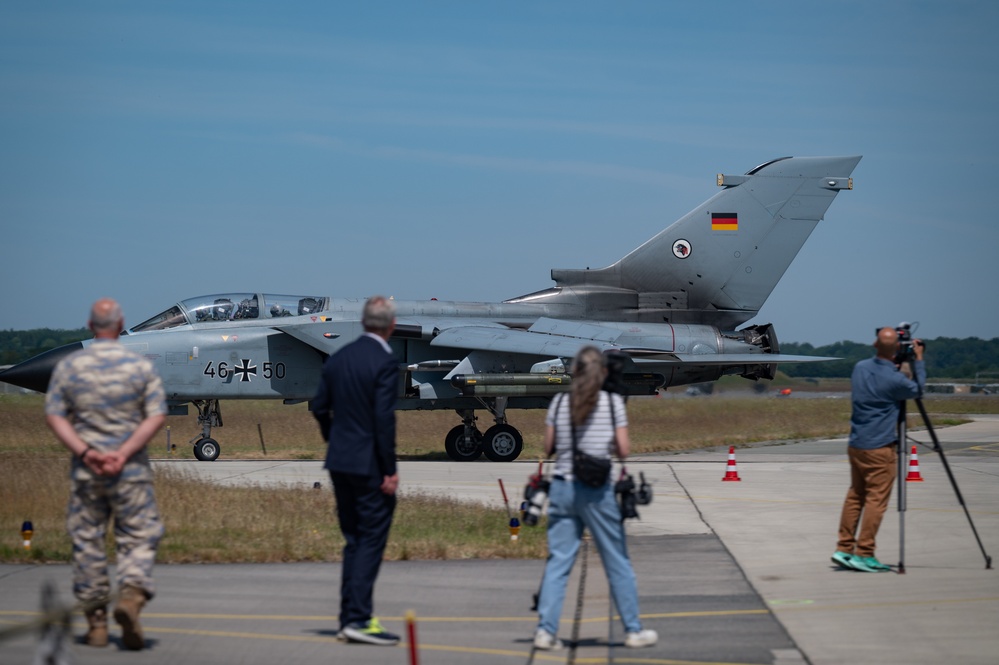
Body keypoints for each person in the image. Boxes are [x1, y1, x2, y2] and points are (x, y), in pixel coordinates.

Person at [44, 298, 167, 649]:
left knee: (87, 542)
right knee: (139, 537)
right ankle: (131, 598)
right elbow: (156, 415)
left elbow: (55, 415)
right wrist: (123, 453)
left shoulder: (70, 365)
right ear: (120, 323)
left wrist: (87, 453)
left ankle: (96, 625)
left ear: (89, 325)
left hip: (87, 471)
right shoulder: (139, 365)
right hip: (130, 472)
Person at [533, 346, 658, 650]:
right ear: (602, 373)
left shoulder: (560, 403)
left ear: (573, 372)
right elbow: (623, 450)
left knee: (559, 563)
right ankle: (632, 629)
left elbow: (548, 446)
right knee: (617, 561)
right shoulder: (612, 403)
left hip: (563, 487)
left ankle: (546, 632)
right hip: (597, 489)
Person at [312, 295, 401, 646]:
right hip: (369, 467)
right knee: (370, 540)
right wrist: (389, 470)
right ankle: (360, 619)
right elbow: (383, 420)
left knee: (353, 541)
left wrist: (334, 440)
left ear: (364, 323)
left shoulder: (339, 358)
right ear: (391, 325)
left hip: (339, 462)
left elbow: (319, 406)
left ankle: (349, 616)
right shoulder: (384, 361)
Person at [831, 327, 926, 573]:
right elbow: (917, 389)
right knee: (876, 500)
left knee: (855, 496)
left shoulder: (860, 368)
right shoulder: (895, 380)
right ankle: (865, 552)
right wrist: (918, 359)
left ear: (875, 344)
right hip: (880, 448)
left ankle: (844, 548)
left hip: (857, 444)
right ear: (896, 349)